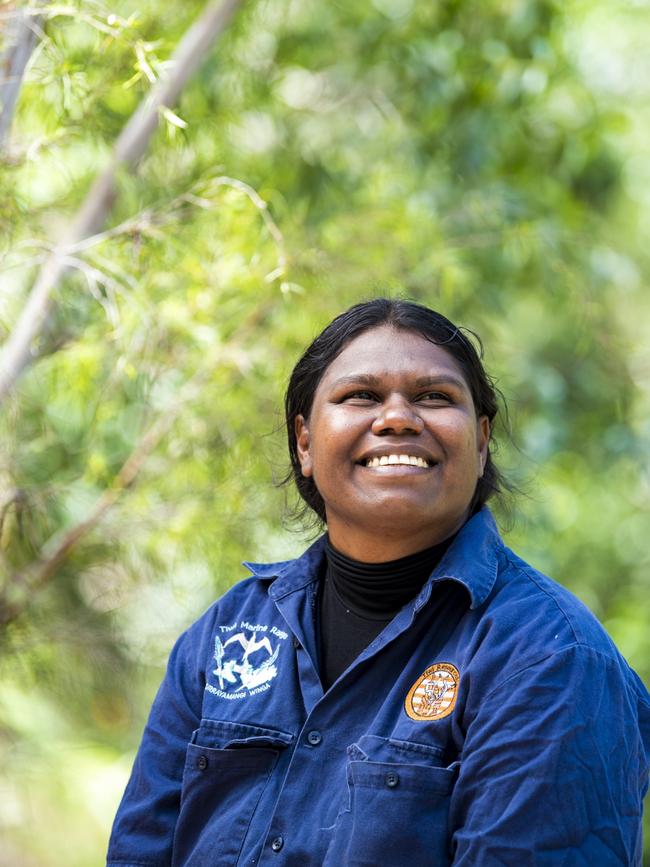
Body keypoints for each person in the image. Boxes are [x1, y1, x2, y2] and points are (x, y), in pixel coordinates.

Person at [107, 298, 650, 867]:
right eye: (360, 396)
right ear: (306, 443)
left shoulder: (548, 656)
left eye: (435, 397)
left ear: (482, 440)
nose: (397, 418)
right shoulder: (225, 634)